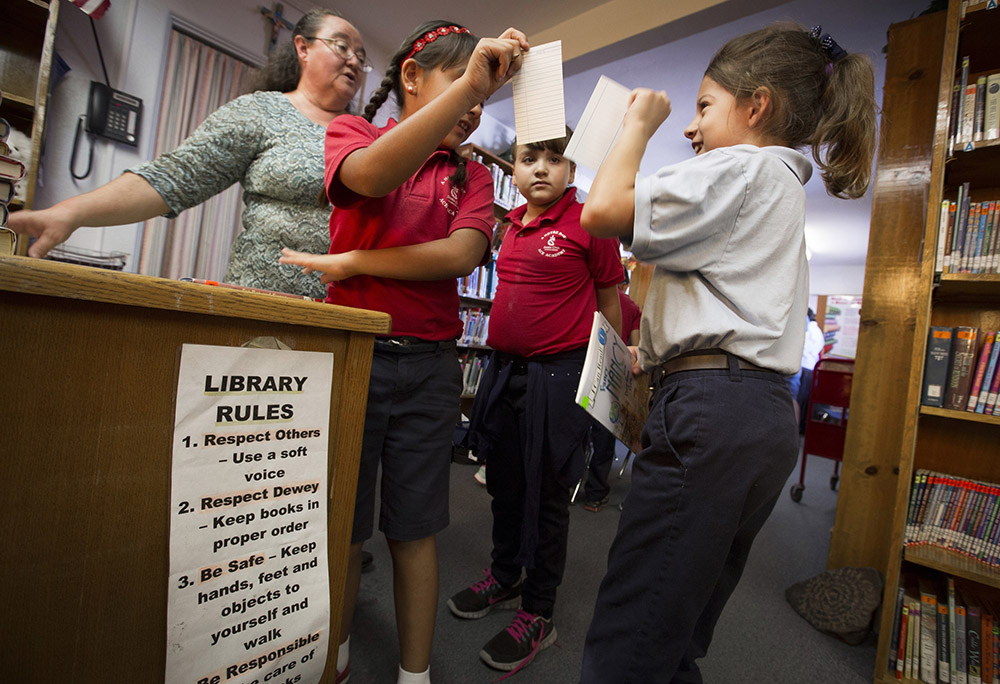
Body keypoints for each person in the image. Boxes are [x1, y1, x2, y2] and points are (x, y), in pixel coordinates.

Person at [576, 23, 877, 683]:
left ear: (757, 105)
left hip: (715, 409)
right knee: (677, 622)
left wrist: (639, 125)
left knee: (635, 628)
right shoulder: (777, 187)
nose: (692, 125)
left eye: (704, 106)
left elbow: (601, 209)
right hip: (754, 412)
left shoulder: (747, 167)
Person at [279, 21, 529, 684]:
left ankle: (414, 675)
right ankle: (330, 656)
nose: (473, 111)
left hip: (429, 366)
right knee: (344, 522)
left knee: (415, 529)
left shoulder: (472, 177)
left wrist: (355, 259)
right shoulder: (353, 133)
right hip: (355, 355)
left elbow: (460, 254)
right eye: (462, 89)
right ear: (413, 78)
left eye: (482, 103)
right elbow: (371, 174)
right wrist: (473, 83)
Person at [10, 9, 366, 299]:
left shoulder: (369, 136)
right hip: (266, 300)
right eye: (342, 46)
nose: (353, 60)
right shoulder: (262, 112)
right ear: (303, 48)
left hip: (349, 312)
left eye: (361, 58)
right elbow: (177, 177)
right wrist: (72, 212)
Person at [445, 131, 623, 675]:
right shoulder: (509, 224)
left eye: (554, 159)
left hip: (561, 375)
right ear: (514, 170)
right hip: (503, 370)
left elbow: (610, 302)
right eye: (528, 159)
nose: (541, 169)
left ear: (572, 167)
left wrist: (609, 379)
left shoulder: (591, 222)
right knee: (502, 480)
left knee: (546, 495)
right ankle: (504, 575)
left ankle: (539, 613)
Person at [582, 272, 642, 512]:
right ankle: (595, 494)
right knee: (604, 436)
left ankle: (566, 483)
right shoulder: (631, 307)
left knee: (576, 430)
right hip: (613, 377)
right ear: (625, 284)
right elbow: (635, 347)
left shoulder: (590, 298)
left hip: (584, 371)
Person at [797, 307, 826, 432]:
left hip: (805, 367)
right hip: (810, 367)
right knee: (804, 399)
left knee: (800, 399)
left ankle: (799, 426)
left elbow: (804, 347)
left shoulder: (809, 330)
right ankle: (802, 425)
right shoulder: (817, 330)